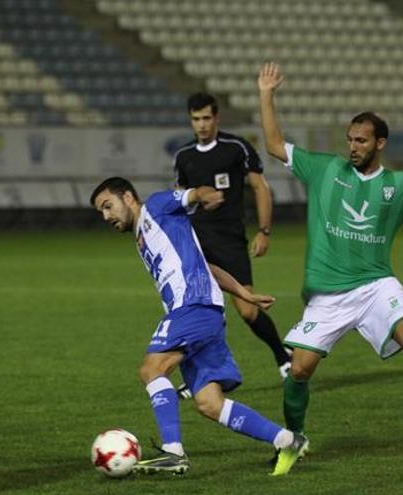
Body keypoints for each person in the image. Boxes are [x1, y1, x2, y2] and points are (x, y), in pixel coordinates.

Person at [256, 62, 403, 463]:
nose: (353, 147)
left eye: (362, 141)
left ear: (380, 143)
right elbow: (275, 146)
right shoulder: (325, 169)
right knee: (299, 371)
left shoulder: (399, 186)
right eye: (350, 140)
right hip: (328, 295)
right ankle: (294, 439)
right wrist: (266, 93)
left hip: (377, 285)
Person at [90, 177, 308, 476]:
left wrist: (206, 195)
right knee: (209, 403)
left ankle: (173, 453)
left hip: (192, 306)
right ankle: (288, 441)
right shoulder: (141, 236)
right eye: (100, 212)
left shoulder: (155, 207)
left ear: (127, 197)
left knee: (151, 370)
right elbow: (205, 264)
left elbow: (193, 195)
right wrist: (243, 293)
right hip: (206, 312)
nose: (106, 216)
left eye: (108, 206)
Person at [174, 92, 291, 385]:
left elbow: (260, 187)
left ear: (216, 118)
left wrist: (264, 231)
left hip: (230, 241)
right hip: (197, 243)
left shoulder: (236, 147)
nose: (201, 125)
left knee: (248, 310)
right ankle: (197, 377)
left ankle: (282, 356)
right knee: (194, 310)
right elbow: (179, 199)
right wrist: (197, 203)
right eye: (195, 119)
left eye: (206, 118)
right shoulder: (184, 156)